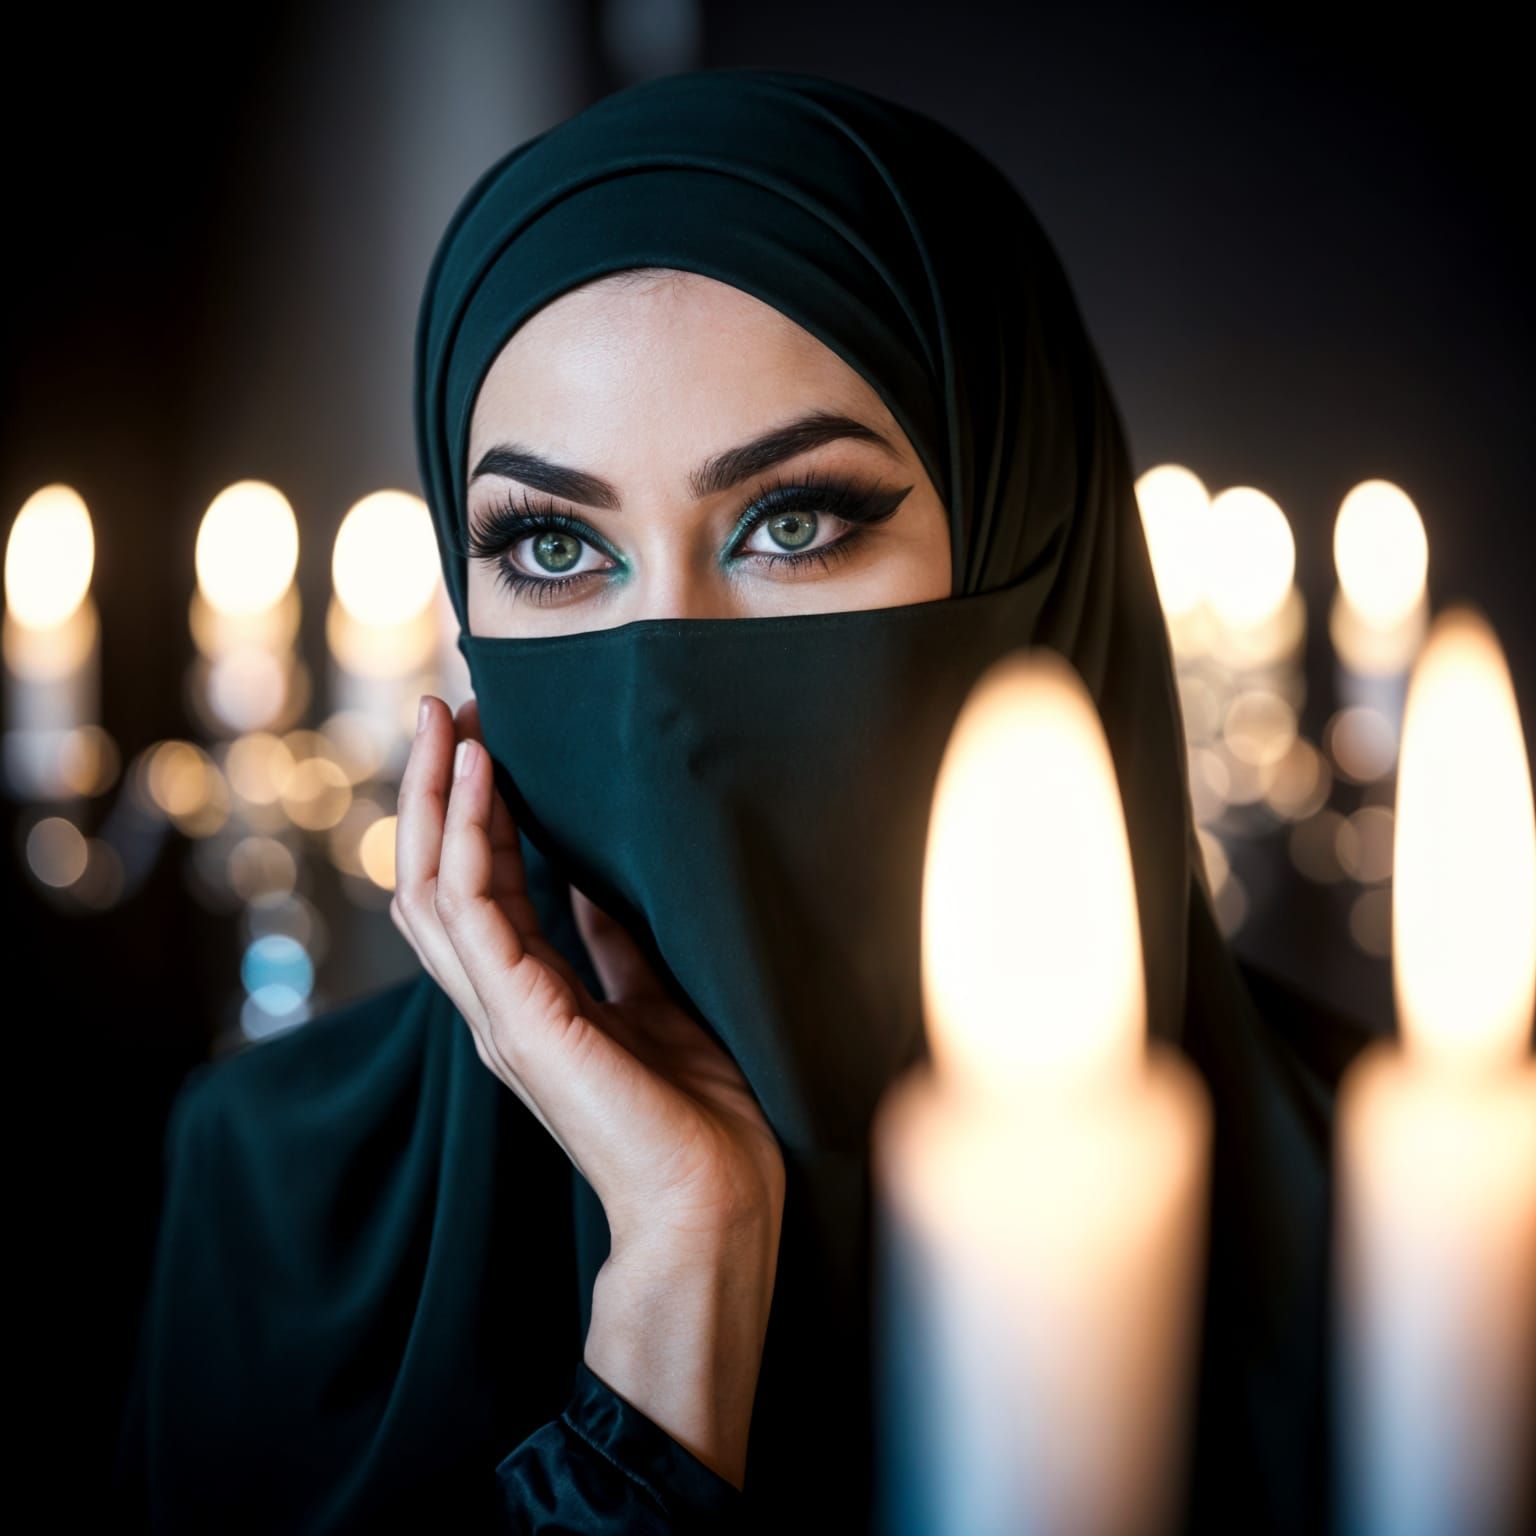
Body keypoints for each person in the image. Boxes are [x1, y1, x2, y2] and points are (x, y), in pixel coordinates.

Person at [111, 65, 1375, 1534]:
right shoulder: (273, 1198)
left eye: (793, 523)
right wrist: (678, 1272)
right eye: (557, 547)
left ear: (1037, 550)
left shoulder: (1428, 1232)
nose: (666, 690)